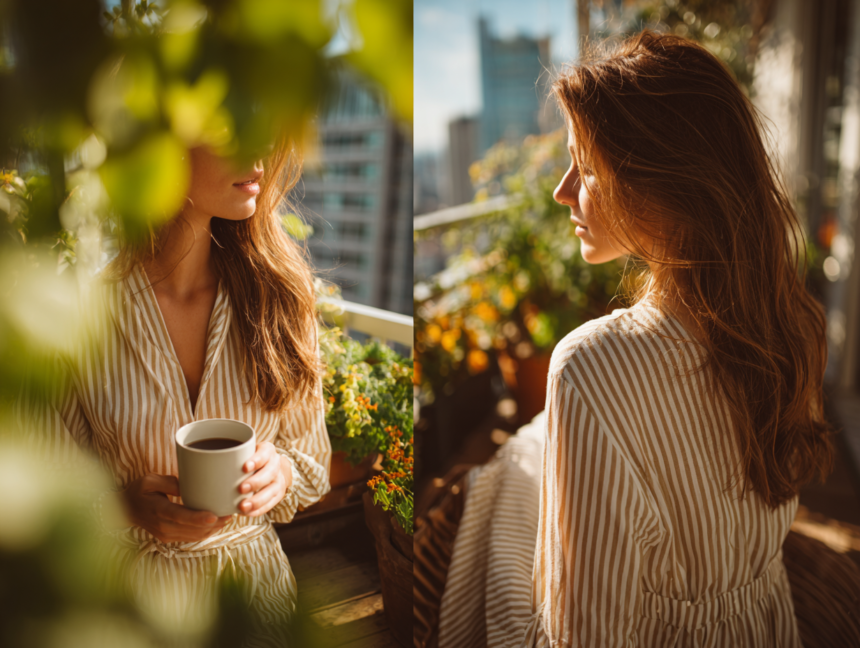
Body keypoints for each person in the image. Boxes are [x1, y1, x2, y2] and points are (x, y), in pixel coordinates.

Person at [437, 31, 833, 647]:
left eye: (587, 168)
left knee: (514, 468)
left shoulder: (589, 369)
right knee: (532, 448)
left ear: (665, 183)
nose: (561, 190)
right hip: (767, 627)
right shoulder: (792, 322)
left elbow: (582, 636)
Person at [15, 136, 332, 647]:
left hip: (257, 605)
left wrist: (283, 472)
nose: (257, 160)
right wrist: (123, 509)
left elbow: (313, 464)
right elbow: (44, 499)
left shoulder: (282, 297)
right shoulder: (79, 315)